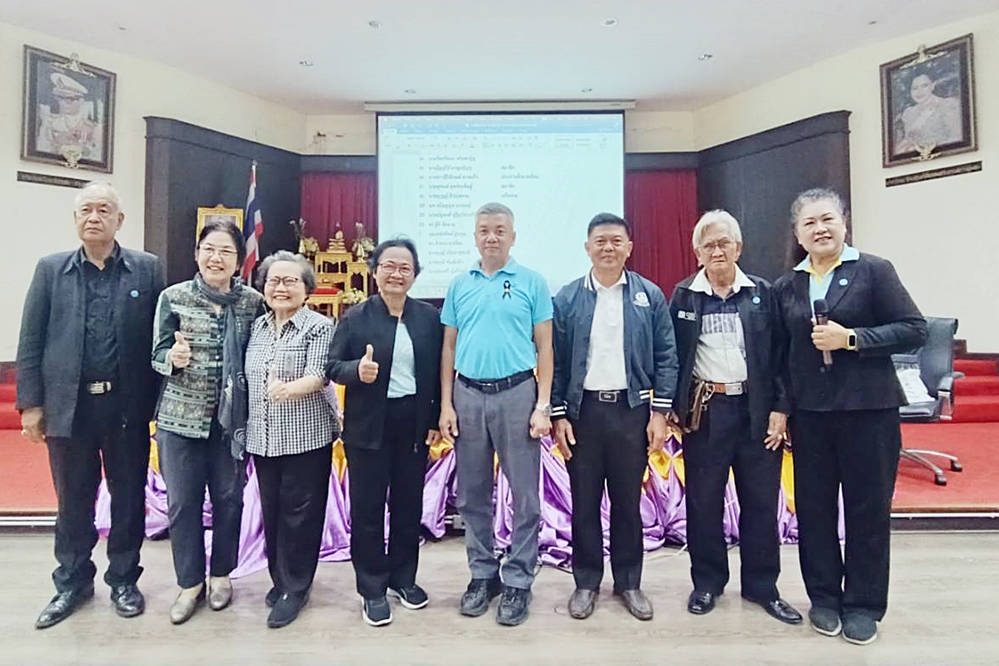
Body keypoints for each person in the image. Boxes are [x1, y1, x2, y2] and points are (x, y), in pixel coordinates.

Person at [774, 188, 927, 645]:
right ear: (797, 233)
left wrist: (852, 339)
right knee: (814, 510)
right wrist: (782, 407)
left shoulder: (874, 270)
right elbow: (781, 356)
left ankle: (863, 604)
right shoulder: (787, 286)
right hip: (811, 416)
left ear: (843, 222)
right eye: (809, 223)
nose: (820, 229)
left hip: (869, 412)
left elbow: (914, 329)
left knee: (868, 510)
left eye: (827, 219)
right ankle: (823, 597)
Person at [16, 181, 163, 629]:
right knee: (72, 500)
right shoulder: (51, 270)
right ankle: (73, 582)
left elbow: (160, 337)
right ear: (75, 219)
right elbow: (31, 339)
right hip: (70, 407)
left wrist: (159, 406)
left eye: (103, 210)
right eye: (85, 210)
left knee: (128, 498)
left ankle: (124, 580)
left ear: (120, 220)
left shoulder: (146, 269)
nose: (94, 217)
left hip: (126, 407)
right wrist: (31, 404)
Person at [669, 210, 802, 626]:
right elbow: (671, 355)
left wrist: (781, 408)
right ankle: (707, 583)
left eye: (724, 242)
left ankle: (763, 586)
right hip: (707, 412)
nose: (717, 251)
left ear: (739, 247)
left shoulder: (763, 293)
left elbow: (783, 356)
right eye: (708, 245)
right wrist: (671, 405)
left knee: (760, 502)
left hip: (757, 412)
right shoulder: (684, 296)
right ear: (697, 253)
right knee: (703, 501)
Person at [551, 213, 677, 621]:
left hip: (631, 413)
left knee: (627, 502)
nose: (608, 247)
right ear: (587, 247)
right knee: (584, 502)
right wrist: (558, 414)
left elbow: (667, 356)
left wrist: (660, 412)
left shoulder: (649, 295)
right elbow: (555, 360)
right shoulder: (567, 298)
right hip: (583, 414)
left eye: (616, 241)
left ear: (629, 247)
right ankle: (586, 582)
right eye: (600, 241)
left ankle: (629, 582)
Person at [439, 202, 553, 627]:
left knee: (525, 496)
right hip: (468, 394)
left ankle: (519, 580)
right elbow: (449, 346)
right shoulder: (459, 284)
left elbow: (545, 346)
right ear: (474, 237)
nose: (492, 236)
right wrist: (447, 403)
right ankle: (483, 575)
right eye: (484, 230)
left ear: (513, 236)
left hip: (518, 394)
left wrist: (543, 404)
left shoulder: (532, 282)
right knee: (471, 495)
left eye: (500, 230)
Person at [151, 220, 265, 625]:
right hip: (180, 420)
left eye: (226, 251)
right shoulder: (173, 297)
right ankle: (189, 584)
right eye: (209, 249)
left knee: (229, 501)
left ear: (239, 259)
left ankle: (221, 575)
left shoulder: (252, 302)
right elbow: (156, 353)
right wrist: (172, 358)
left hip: (231, 424)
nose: (216, 258)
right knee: (182, 504)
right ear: (197, 254)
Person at [327, 239, 443, 627]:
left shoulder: (428, 318)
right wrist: (356, 371)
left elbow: (436, 374)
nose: (396, 274)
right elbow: (332, 366)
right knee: (368, 509)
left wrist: (432, 420)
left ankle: (403, 578)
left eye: (404, 268)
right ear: (375, 271)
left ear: (415, 275)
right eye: (388, 266)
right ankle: (372, 588)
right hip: (368, 425)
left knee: (409, 506)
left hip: (413, 424)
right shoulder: (356, 317)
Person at [245, 251, 337, 629]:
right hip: (262, 437)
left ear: (307, 288)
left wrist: (288, 389)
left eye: (290, 281)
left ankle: (296, 587)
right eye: (273, 281)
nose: (280, 288)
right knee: (272, 512)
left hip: (306, 436)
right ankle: (281, 579)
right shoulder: (257, 326)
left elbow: (319, 373)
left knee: (300, 515)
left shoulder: (319, 326)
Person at [36, 72, 102, 160]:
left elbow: (96, 156)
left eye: (69, 100)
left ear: (81, 101)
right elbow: (41, 148)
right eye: (60, 98)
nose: (63, 103)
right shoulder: (50, 122)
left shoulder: (92, 127)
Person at [896, 71, 963, 154]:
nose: (920, 91)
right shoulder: (909, 113)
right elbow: (908, 140)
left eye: (924, 86)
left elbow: (956, 137)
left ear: (933, 85)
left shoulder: (948, 105)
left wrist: (924, 149)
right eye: (915, 88)